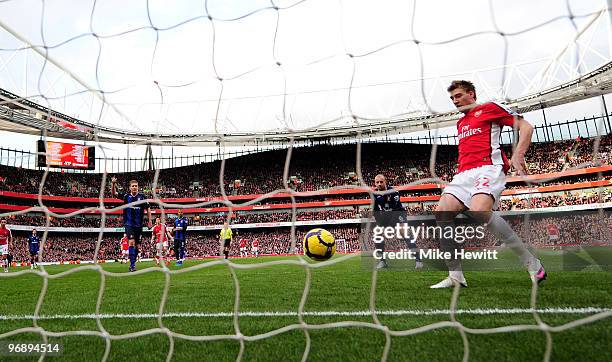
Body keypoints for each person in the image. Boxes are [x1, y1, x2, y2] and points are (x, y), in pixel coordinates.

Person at [430, 80, 546, 288]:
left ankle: (532, 263)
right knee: (441, 213)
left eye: (458, 96)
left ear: (471, 94)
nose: (455, 101)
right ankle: (456, 276)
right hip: (463, 173)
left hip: (489, 168)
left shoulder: (489, 109)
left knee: (479, 211)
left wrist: (518, 154)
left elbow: (526, 127)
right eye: (452, 98)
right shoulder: (460, 123)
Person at [372, 174, 423, 270]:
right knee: (377, 235)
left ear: (385, 182)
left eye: (381, 182)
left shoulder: (394, 192)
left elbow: (395, 208)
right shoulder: (374, 195)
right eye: (377, 182)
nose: (379, 184)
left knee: (405, 233)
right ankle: (382, 261)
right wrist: (380, 223)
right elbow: (375, 211)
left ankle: (418, 260)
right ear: (374, 183)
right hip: (386, 216)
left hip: (398, 214)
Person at [111, 177, 152, 272]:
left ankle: (133, 262)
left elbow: (148, 208)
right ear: (130, 187)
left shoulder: (142, 197)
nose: (134, 187)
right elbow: (114, 194)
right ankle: (132, 265)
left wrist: (150, 220)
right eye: (133, 186)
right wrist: (113, 184)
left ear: (138, 187)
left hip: (139, 225)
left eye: (136, 186)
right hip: (129, 223)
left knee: (137, 246)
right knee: (132, 242)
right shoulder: (126, 196)